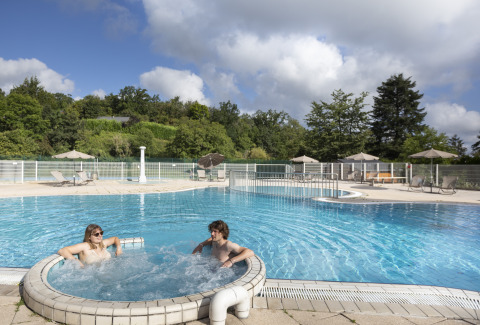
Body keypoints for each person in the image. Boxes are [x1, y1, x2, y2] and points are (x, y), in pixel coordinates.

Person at [57, 224, 122, 267]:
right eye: (96, 234)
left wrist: (119, 249)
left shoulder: (103, 244)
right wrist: (76, 261)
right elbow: (62, 250)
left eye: (101, 233)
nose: (100, 235)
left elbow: (115, 238)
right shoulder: (85, 246)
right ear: (89, 237)